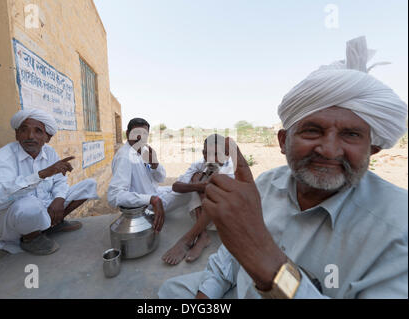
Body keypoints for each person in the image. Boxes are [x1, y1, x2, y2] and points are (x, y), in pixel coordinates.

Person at [158, 36, 408, 299]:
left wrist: (269, 264)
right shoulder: (266, 185)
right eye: (312, 131)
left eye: (351, 135)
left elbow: (252, 251)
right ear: (283, 141)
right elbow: (229, 259)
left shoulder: (398, 226)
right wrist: (206, 296)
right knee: (171, 291)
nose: (330, 150)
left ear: (372, 149)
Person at [0, 109, 98, 255]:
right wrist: (40, 175)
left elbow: (60, 181)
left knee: (89, 185)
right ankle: (30, 238)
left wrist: (59, 199)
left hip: (44, 206)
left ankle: (53, 224)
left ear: (48, 138)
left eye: (38, 131)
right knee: (29, 204)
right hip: (11, 220)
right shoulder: (2, 157)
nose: (30, 136)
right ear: (17, 134)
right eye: (24, 130)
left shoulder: (49, 152)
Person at [107, 118, 201, 233]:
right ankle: (200, 228)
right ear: (127, 134)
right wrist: (151, 199)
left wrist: (155, 163)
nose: (140, 137)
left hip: (155, 192)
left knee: (184, 185)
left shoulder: (142, 150)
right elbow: (114, 196)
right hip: (145, 206)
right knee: (190, 192)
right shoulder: (124, 157)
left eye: (144, 134)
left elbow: (160, 178)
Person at [162, 134, 234, 265]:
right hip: (205, 216)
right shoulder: (201, 164)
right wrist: (197, 185)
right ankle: (202, 235)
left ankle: (188, 238)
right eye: (206, 153)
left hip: (224, 219)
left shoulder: (231, 170)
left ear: (227, 154)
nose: (210, 158)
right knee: (197, 186)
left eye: (215, 154)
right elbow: (176, 186)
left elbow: (216, 197)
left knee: (204, 187)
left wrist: (197, 184)